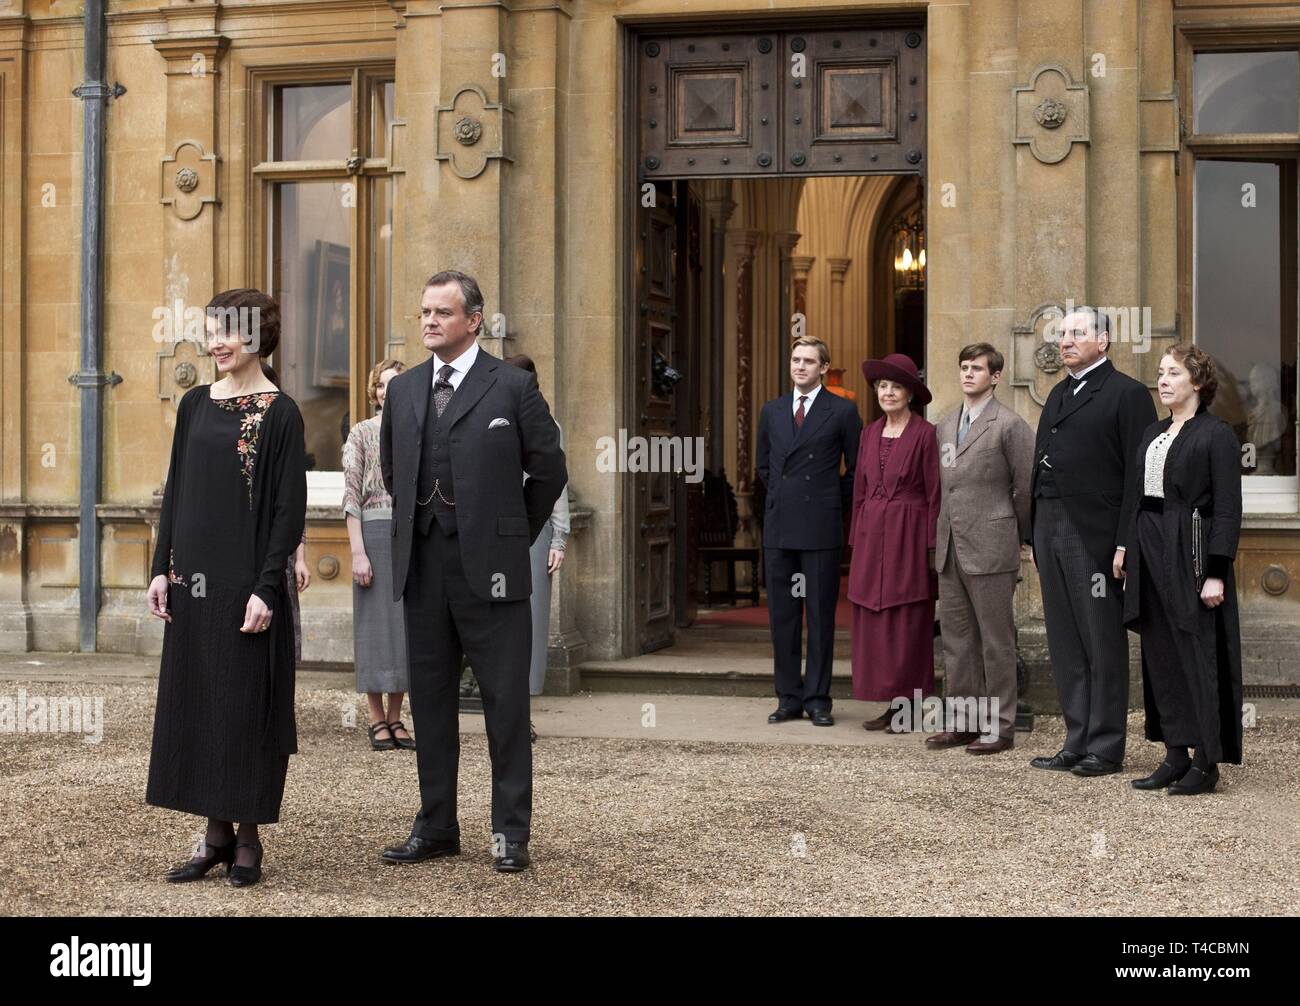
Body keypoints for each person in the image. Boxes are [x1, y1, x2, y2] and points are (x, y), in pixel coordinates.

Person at [378, 270, 566, 873]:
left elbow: (548, 471)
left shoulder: (511, 387)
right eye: (424, 312)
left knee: (505, 705)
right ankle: (436, 826)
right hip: (423, 568)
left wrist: (511, 534)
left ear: (474, 320)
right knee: (430, 704)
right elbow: (390, 470)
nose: (429, 321)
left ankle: (511, 832)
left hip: (495, 573)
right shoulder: (404, 390)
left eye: (442, 312)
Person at [145, 288, 307, 888]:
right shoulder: (192, 404)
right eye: (211, 330)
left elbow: (289, 512)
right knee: (201, 704)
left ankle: (247, 840)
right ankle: (213, 835)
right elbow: (176, 490)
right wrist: (161, 569)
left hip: (247, 586)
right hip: (194, 586)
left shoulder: (281, 411)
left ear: (260, 337)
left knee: (244, 710)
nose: (216, 341)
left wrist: (268, 588)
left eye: (229, 331)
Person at [1028, 307, 1156, 777]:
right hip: (1050, 525)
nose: (1065, 341)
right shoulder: (1060, 393)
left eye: (1077, 333)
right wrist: (1033, 533)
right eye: (1062, 334)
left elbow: (1137, 477)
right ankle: (1076, 738)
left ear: (1103, 341)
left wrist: (1125, 542)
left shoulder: (1126, 394)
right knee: (1065, 641)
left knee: (1101, 640)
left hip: (1095, 533)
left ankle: (1105, 746)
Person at [1123, 343, 1243, 795]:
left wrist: (1215, 570)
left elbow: (1228, 508)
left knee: (1197, 652)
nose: (1163, 379)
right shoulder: (1153, 432)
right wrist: (1125, 549)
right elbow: (1137, 496)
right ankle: (1175, 753)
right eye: (1160, 372)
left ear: (1197, 381)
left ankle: (1206, 760)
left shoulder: (1216, 434)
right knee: (1160, 653)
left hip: (1190, 550)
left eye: (1173, 372)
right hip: (1149, 546)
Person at [929, 343, 1035, 754]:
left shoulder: (1009, 425)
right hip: (950, 545)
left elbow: (1024, 488)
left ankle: (1001, 726)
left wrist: (1020, 537)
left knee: (995, 640)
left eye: (977, 368)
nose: (968, 374)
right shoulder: (944, 424)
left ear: (995, 377)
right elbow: (947, 487)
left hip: (992, 545)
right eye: (963, 367)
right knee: (957, 641)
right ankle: (962, 723)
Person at [756, 337, 863, 727]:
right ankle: (788, 698)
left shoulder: (842, 411)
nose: (800, 366)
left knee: (819, 616)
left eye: (808, 361)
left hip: (820, 525)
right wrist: (785, 497)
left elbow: (856, 469)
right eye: (795, 360)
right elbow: (763, 468)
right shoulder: (772, 410)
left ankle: (818, 699)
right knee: (782, 617)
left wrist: (829, 498)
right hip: (780, 526)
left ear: (823, 367)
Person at [849, 353, 940, 731]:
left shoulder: (926, 434)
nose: (887, 392)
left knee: (908, 621)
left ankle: (910, 706)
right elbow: (859, 490)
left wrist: (932, 546)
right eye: (882, 386)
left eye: (896, 387)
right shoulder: (868, 433)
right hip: (872, 537)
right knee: (875, 619)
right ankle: (890, 703)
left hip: (910, 535)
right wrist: (856, 538)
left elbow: (936, 493)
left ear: (910, 394)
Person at [343, 358, 413, 751]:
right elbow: (350, 496)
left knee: (404, 629)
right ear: (374, 392)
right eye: (382, 385)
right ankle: (375, 719)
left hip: (407, 535)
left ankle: (397, 718)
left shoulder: (416, 432)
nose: (388, 392)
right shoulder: (361, 434)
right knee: (374, 629)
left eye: (396, 384)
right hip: (371, 533)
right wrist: (358, 553)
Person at [505, 354, 570, 743]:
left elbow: (556, 483)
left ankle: (523, 711)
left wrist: (559, 537)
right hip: (492, 531)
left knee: (530, 623)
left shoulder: (547, 424)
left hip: (535, 530)